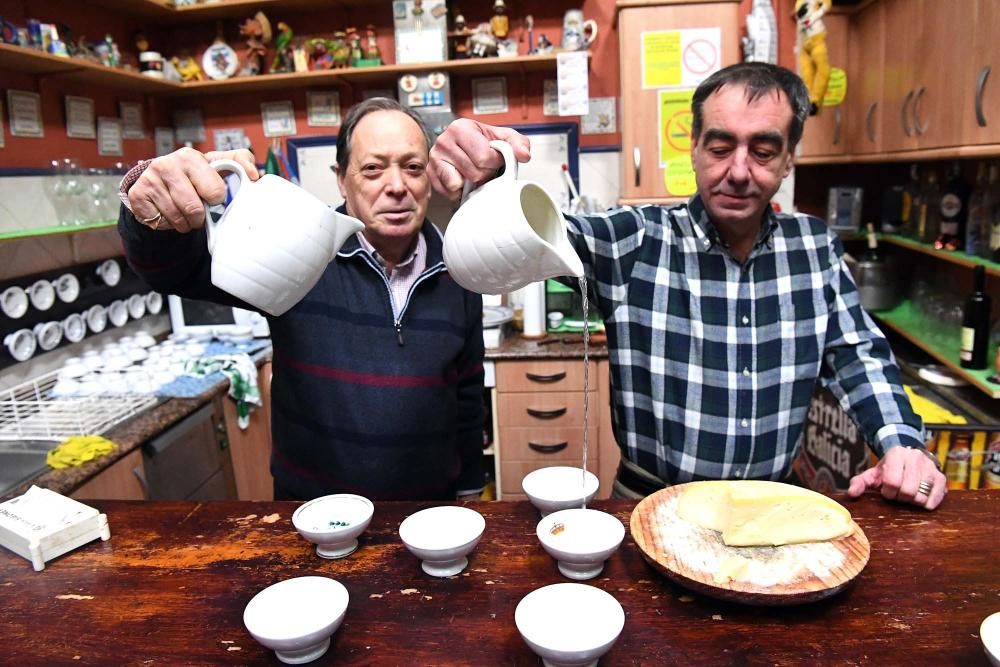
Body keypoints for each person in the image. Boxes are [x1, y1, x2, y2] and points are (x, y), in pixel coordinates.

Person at [427, 62, 947, 510]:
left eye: (763, 151)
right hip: (649, 503)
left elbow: (858, 356)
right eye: (720, 146)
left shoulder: (815, 248)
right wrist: (486, 177)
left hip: (773, 508)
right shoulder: (638, 240)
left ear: (789, 159)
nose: (738, 171)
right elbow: (547, 234)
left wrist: (901, 442)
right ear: (694, 149)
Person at [117, 98, 485, 502]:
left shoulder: (458, 269)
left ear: (428, 179)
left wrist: (468, 489)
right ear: (342, 180)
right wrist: (149, 203)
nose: (396, 186)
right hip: (313, 518)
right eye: (373, 168)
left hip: (430, 515)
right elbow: (168, 270)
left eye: (413, 168)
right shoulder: (301, 254)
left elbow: (467, 394)